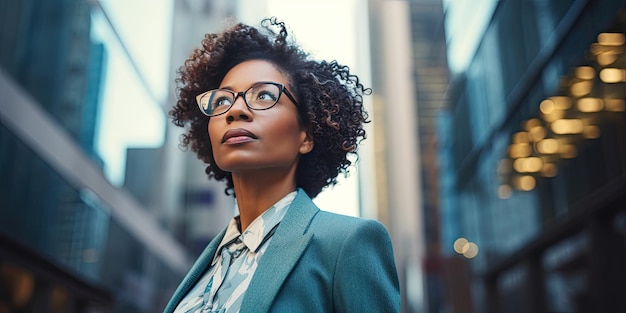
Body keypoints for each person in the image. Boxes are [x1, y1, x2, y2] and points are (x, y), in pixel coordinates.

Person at [163, 17, 400, 313]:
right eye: (222, 101)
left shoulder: (347, 244)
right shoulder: (205, 266)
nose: (235, 110)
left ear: (307, 135)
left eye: (263, 95)